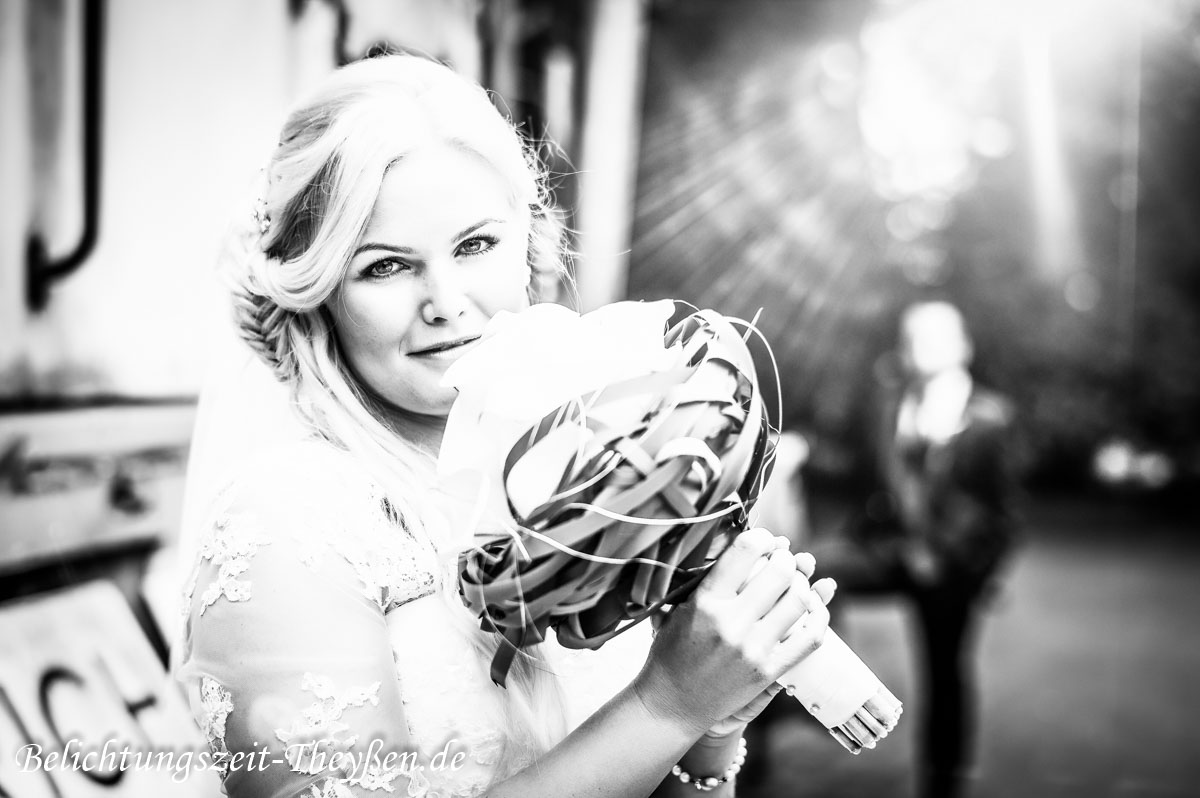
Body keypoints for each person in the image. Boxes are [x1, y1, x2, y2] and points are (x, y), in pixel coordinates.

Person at [173, 54, 837, 798]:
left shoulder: (574, 466)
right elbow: (650, 714)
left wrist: (709, 727)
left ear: (526, 243)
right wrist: (666, 705)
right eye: (385, 267)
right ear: (318, 288)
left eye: (476, 245)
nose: (447, 302)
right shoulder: (286, 520)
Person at [814, 301, 1020, 798]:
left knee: (945, 672)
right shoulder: (889, 406)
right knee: (807, 569)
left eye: (935, 334)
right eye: (912, 336)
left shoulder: (990, 418)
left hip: (949, 568)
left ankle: (943, 779)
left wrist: (973, 572)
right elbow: (854, 470)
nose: (920, 344)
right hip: (888, 550)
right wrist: (800, 451)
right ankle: (813, 690)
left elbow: (1003, 514)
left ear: (964, 346)